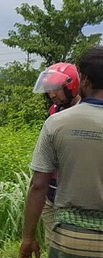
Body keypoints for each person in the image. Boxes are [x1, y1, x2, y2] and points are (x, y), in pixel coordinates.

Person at [19, 46, 103, 258]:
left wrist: (27, 236)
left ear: (83, 80)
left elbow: (38, 185)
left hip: (70, 230)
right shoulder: (55, 114)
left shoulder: (58, 123)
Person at [32, 62, 82, 246]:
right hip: (51, 188)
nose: (52, 94)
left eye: (56, 89)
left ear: (71, 86)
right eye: (49, 90)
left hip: (74, 192)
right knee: (53, 244)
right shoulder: (54, 110)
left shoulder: (86, 112)